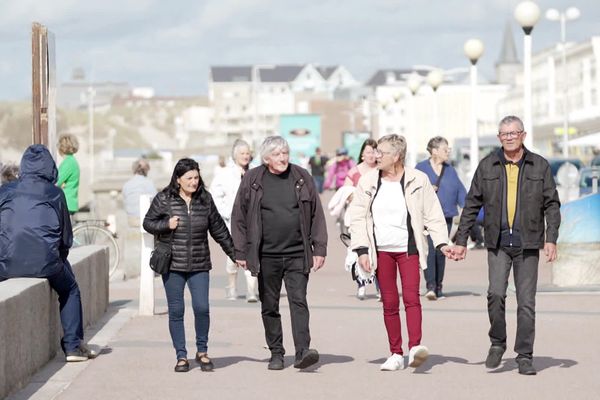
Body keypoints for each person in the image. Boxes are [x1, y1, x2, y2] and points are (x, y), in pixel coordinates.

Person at [452, 115, 561, 376]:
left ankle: (524, 355)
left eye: (514, 133)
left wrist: (551, 239)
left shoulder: (539, 165)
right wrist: (461, 240)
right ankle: (497, 343)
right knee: (496, 294)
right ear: (499, 138)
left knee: (526, 302)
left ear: (523, 135)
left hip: (529, 242)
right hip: (498, 242)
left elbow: (552, 204)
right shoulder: (488, 165)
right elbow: (471, 205)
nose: (509, 137)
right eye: (504, 134)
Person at [347, 134, 452, 371]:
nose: (376, 156)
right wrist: (362, 250)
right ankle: (395, 353)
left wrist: (441, 243)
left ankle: (415, 347)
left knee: (412, 298)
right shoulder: (368, 180)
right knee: (390, 302)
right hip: (381, 250)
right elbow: (358, 216)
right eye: (375, 152)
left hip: (408, 249)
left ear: (396, 156)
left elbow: (433, 213)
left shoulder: (418, 179)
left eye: (381, 153)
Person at [231, 136, 328, 371]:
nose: (283, 158)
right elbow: (239, 217)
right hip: (266, 256)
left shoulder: (301, 176)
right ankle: (276, 352)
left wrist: (320, 248)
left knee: (298, 301)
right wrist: (241, 251)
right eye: (277, 154)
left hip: (297, 253)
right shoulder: (253, 179)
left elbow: (316, 213)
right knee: (269, 305)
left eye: (285, 153)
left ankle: (303, 351)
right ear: (266, 159)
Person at [0, 145, 96, 362]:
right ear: (50, 167)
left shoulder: (5, 191)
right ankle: (73, 346)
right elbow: (66, 239)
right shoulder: (55, 193)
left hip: (6, 262)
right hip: (45, 263)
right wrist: (57, 257)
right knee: (70, 289)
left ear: (23, 167)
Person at [143, 158, 236, 373]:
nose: (194, 182)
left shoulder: (205, 199)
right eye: (189, 178)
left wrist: (235, 254)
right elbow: (148, 222)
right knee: (176, 310)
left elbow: (219, 230)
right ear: (178, 179)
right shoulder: (164, 198)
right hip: (172, 264)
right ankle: (181, 356)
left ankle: (202, 352)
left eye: (196, 177)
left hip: (199, 263)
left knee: (202, 308)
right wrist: (166, 224)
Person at [415, 136, 466, 300]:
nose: (448, 151)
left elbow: (460, 190)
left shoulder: (450, 169)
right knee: (430, 249)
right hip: (426, 217)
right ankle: (430, 286)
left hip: (446, 216)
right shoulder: (420, 168)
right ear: (434, 151)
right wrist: (427, 189)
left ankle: (439, 286)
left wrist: (466, 207)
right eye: (445, 149)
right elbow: (412, 191)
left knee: (441, 251)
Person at [210, 139, 259, 302]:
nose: (245, 156)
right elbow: (215, 196)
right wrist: (226, 212)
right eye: (242, 153)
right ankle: (231, 288)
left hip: (253, 221)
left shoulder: (256, 173)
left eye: (247, 153)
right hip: (231, 221)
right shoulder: (224, 174)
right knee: (233, 255)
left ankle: (252, 291)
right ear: (235, 155)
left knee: (253, 253)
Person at [344, 138, 380, 300]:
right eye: (368, 152)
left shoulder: (381, 171)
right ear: (362, 154)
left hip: (378, 218)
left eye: (374, 151)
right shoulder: (354, 172)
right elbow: (345, 192)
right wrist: (354, 197)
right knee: (360, 250)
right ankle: (361, 284)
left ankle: (380, 287)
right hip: (359, 218)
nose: (371, 155)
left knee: (379, 253)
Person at [122, 158, 157, 227]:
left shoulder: (127, 184)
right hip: (145, 221)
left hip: (131, 220)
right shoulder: (148, 183)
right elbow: (156, 201)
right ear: (146, 170)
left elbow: (124, 202)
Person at [56, 134, 80, 215]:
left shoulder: (68, 163)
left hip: (66, 202)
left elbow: (56, 182)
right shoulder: (72, 161)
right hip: (70, 202)